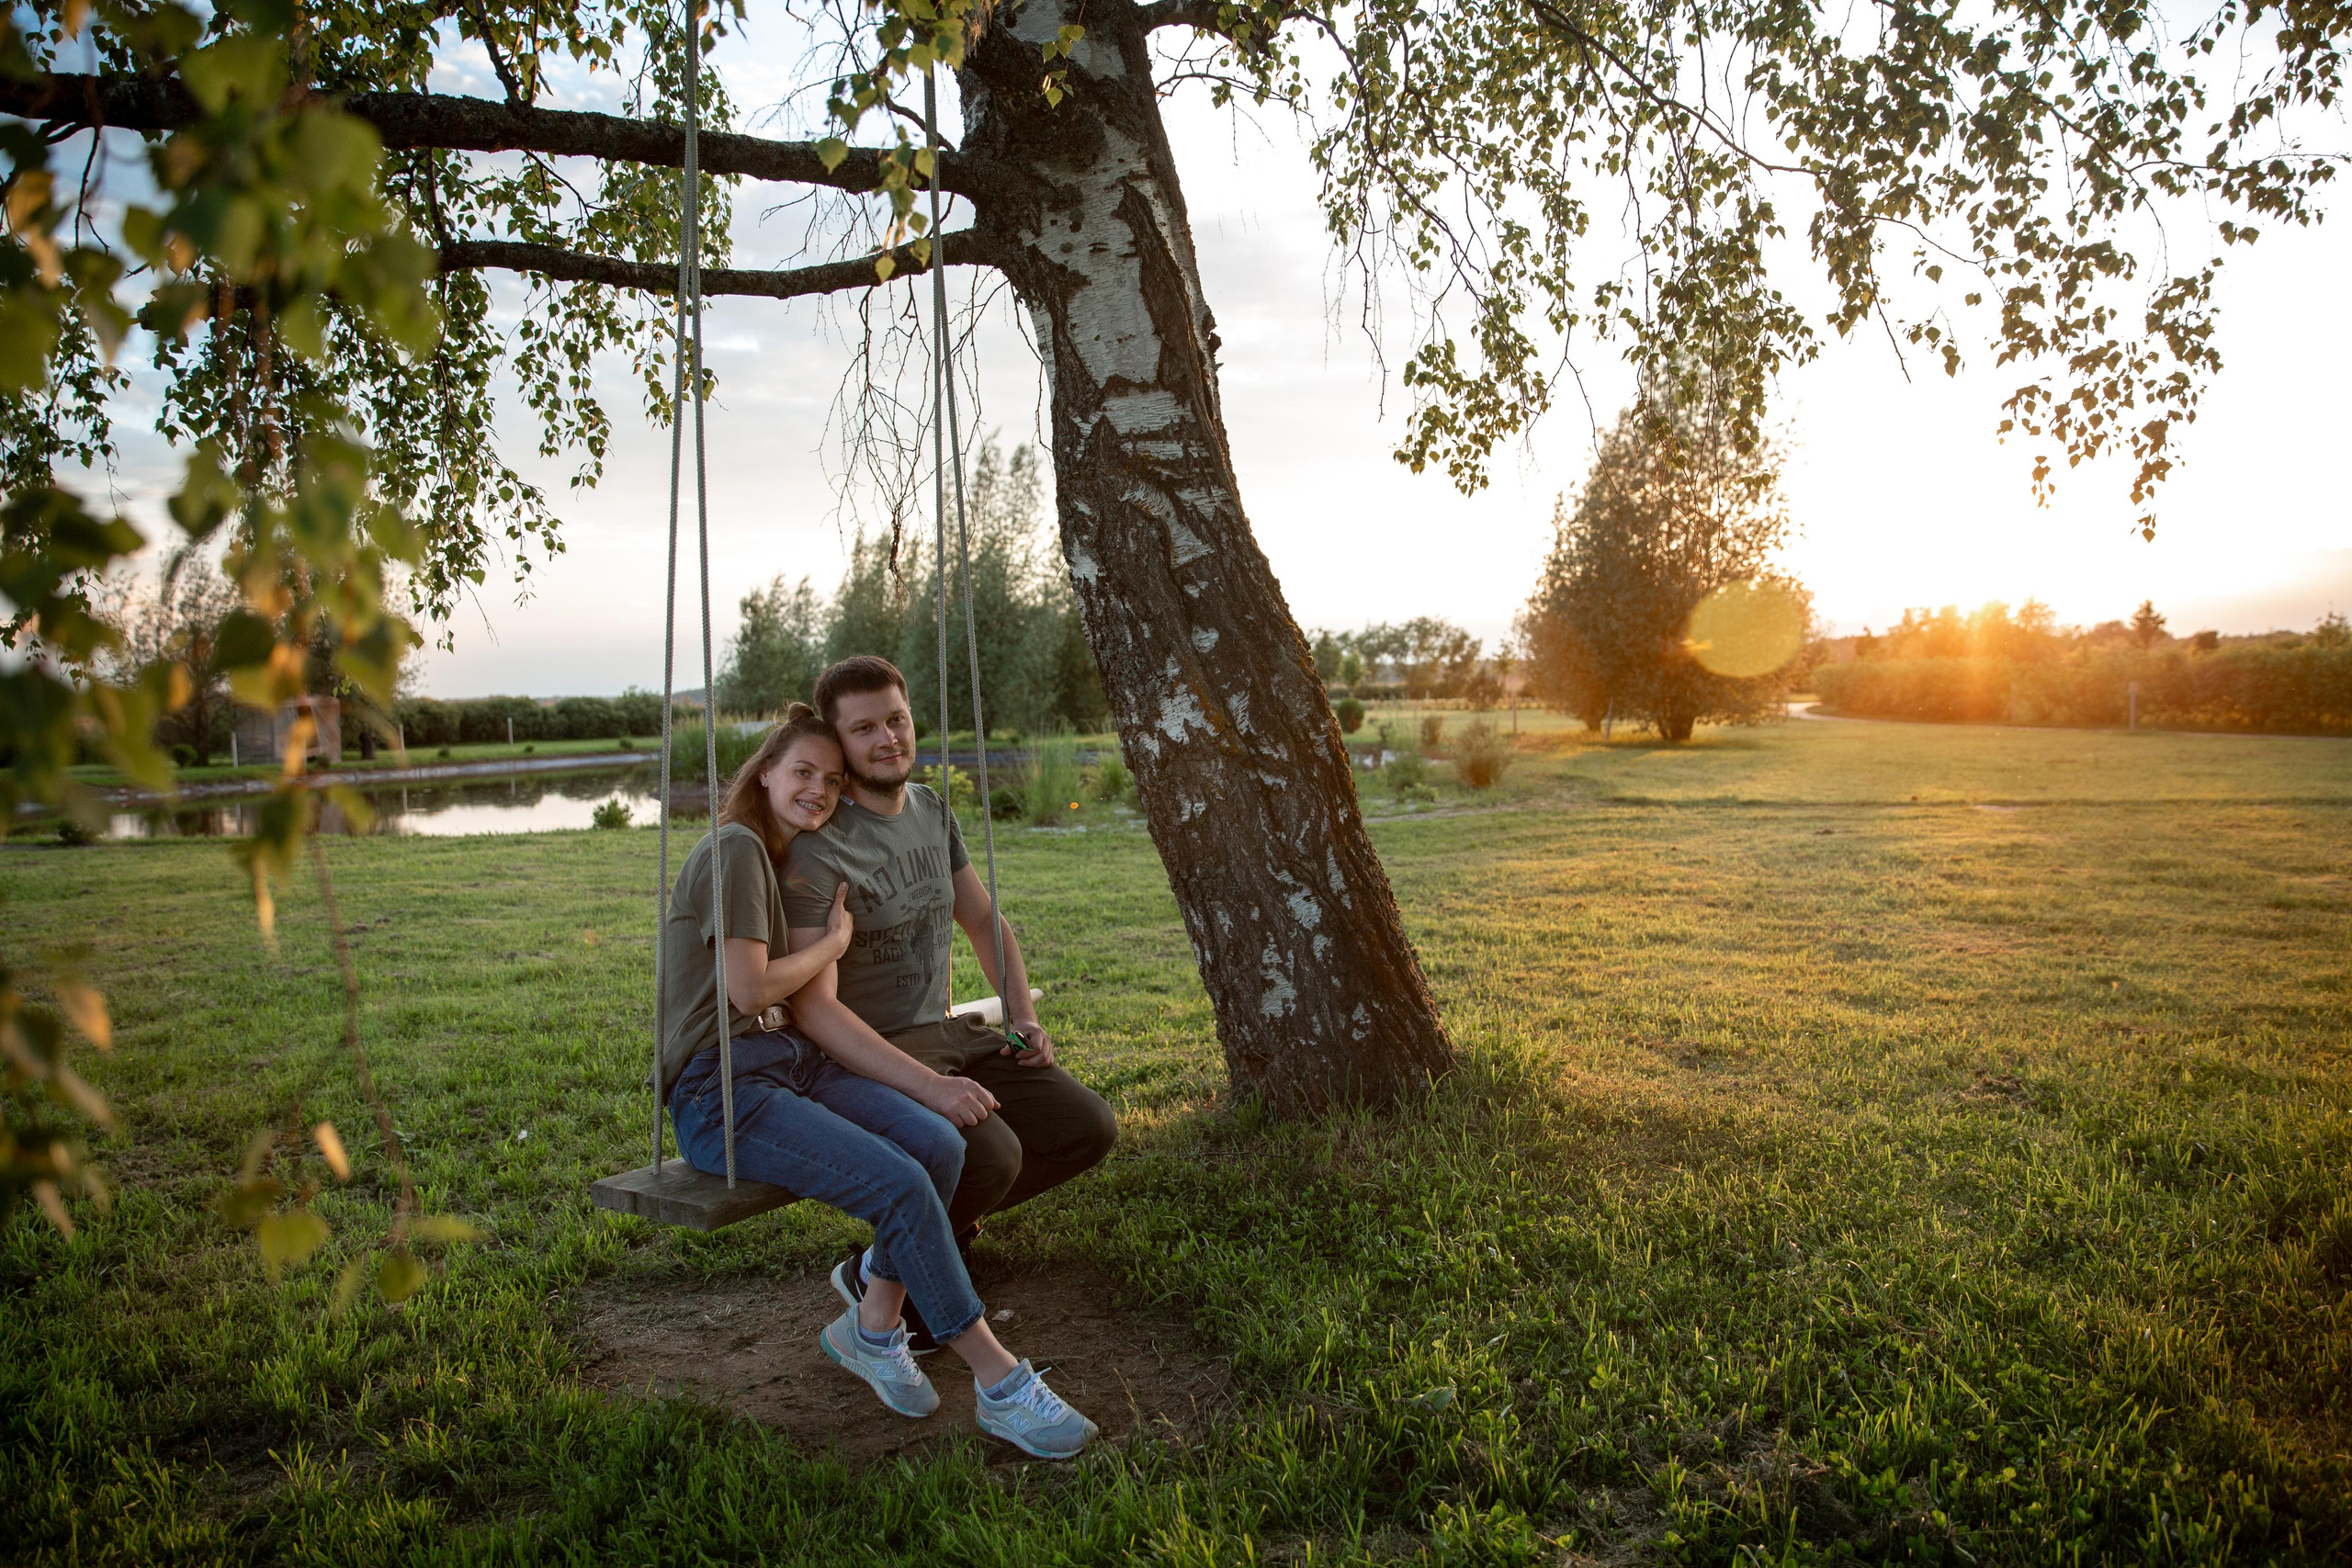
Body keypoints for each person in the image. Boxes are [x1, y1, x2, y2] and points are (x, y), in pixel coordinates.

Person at [660, 702, 1098, 1458]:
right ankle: (1001, 1383)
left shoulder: (773, 855)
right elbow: (750, 991)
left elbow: (783, 1003)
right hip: (721, 1090)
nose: (819, 791)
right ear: (763, 772)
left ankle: (871, 1327)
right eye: (803, 772)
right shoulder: (734, 847)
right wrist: (833, 941)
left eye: (829, 780)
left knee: (938, 1146)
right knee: (902, 1179)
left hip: (790, 1065)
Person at [783, 657, 1119, 1348]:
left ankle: (902, 1248)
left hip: (942, 1031)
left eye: (897, 719)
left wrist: (1022, 1016)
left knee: (1087, 1126)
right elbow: (814, 1011)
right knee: (991, 1155)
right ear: (838, 742)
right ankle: (893, 1286)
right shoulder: (820, 849)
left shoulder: (932, 810)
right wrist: (932, 1087)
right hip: (864, 1056)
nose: (888, 738)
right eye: (865, 727)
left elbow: (984, 922)